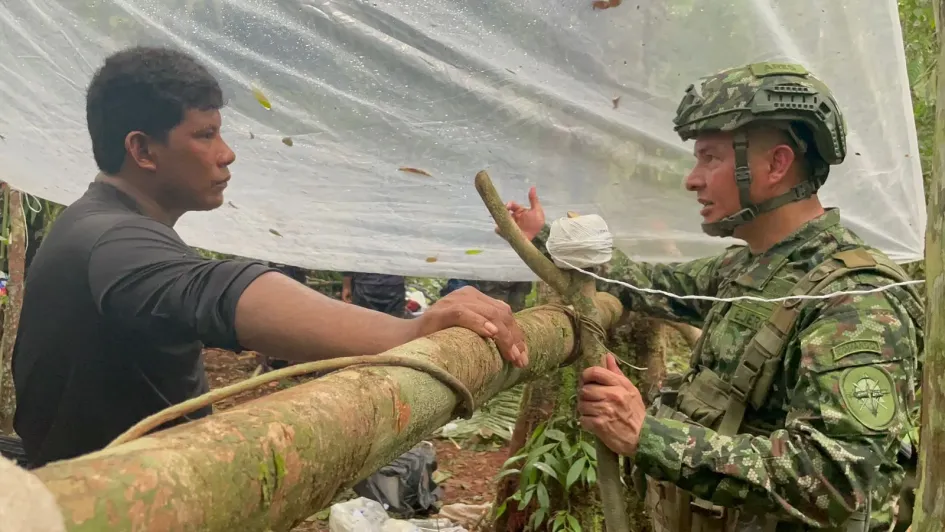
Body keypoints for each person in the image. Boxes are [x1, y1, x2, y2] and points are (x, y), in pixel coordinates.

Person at [11, 46, 528, 468]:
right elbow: (219, 290)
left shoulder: (100, 226)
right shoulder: (109, 238)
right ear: (142, 151)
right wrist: (407, 333)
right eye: (204, 134)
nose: (226, 151)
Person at [503, 63, 923, 531]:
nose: (693, 179)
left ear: (776, 164)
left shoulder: (854, 300)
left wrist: (648, 434)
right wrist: (546, 239)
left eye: (710, 158)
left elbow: (842, 483)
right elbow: (644, 283)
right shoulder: (748, 268)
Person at [342, 272, 408, 317]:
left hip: (394, 285)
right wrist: (346, 285)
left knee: (395, 326)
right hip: (365, 285)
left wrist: (346, 285)